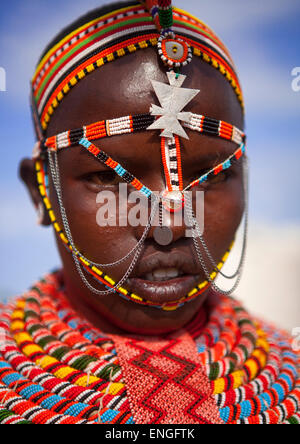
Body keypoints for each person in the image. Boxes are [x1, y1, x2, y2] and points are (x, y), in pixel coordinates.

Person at [0, 0, 298, 424]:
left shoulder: (292, 370)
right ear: (39, 191)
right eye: (111, 179)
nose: (171, 224)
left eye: (211, 176)